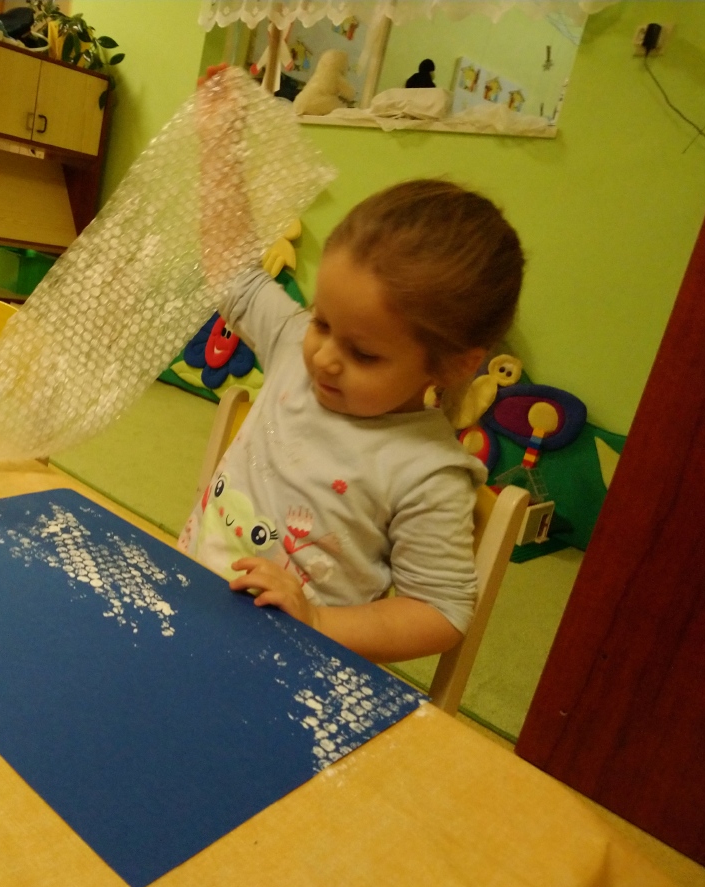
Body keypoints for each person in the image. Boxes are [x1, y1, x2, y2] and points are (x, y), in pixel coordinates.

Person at [180, 69, 524, 664]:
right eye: (321, 320)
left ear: (450, 365)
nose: (324, 356)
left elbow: (439, 614)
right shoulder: (293, 345)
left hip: (287, 667)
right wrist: (219, 143)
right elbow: (234, 271)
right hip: (189, 608)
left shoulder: (426, 472)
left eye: (363, 353)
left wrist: (316, 620)